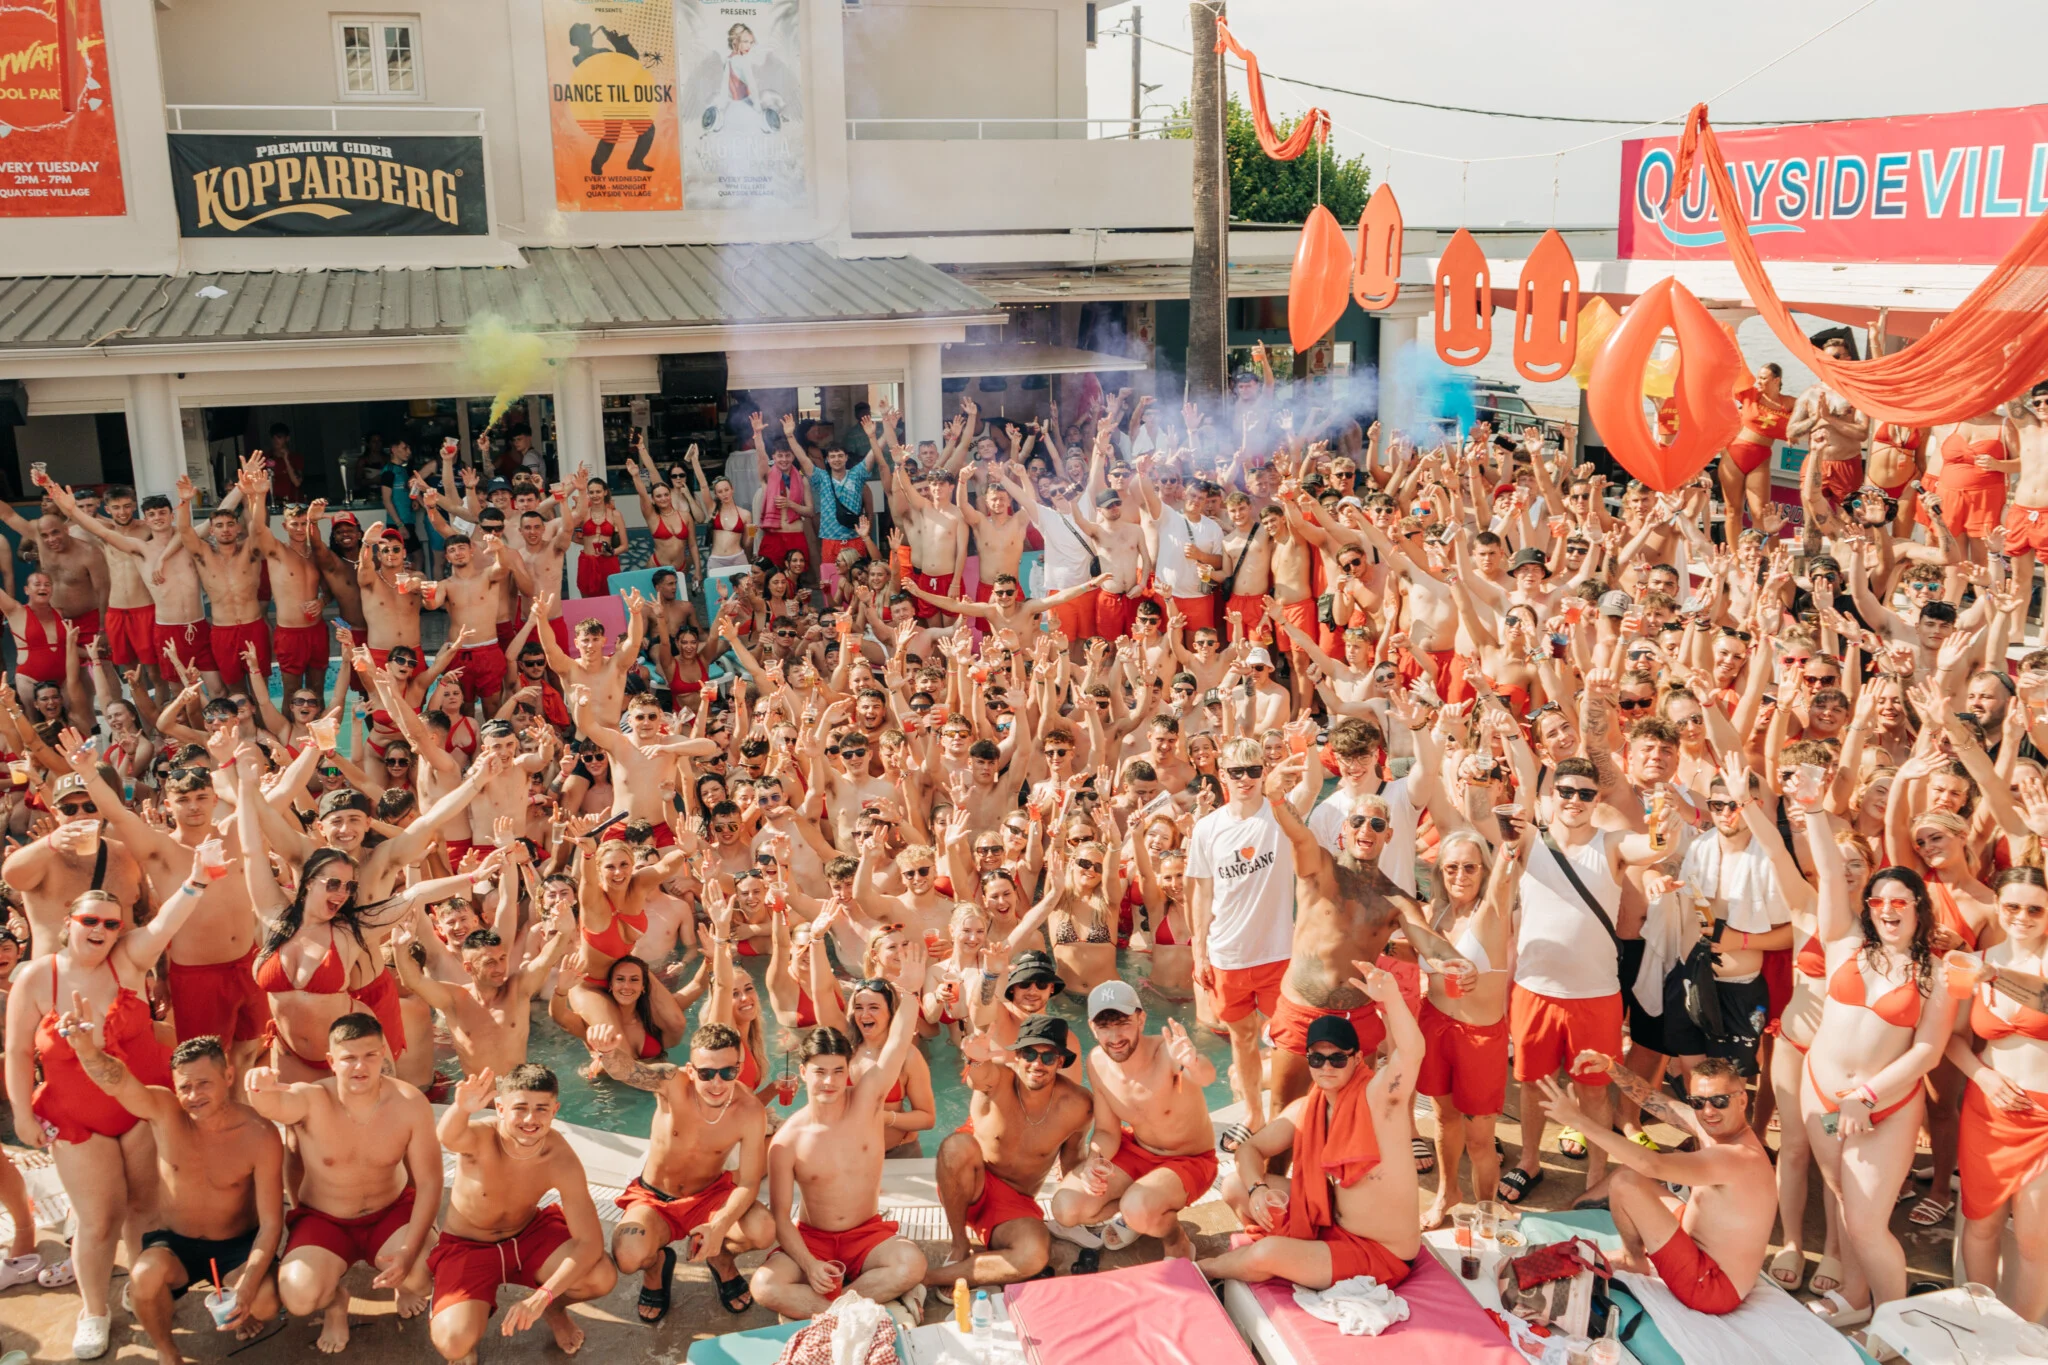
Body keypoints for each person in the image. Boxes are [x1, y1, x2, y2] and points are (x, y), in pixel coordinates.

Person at [3, 861, 208, 1358]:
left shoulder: (129, 961)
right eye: (89, 920)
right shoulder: (37, 978)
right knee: (98, 1221)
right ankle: (93, 1310)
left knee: (146, 1210)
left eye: (111, 923)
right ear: (68, 924)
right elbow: (17, 1053)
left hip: (138, 1108)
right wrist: (24, 1116)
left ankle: (140, 1290)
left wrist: (197, 877)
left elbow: (166, 923)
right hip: (76, 1119)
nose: (100, 929)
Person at [1798, 805, 1958, 1325]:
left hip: (1883, 1105)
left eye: (1901, 902)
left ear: (1918, 909)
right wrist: (1814, 809)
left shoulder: (1937, 972)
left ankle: (1895, 1323)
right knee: (1843, 1198)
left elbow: (1928, 1052)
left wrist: (1865, 1096)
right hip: (1820, 1093)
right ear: (1869, 906)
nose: (1889, 909)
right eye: (1879, 900)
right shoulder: (1844, 941)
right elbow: (1826, 870)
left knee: (1867, 1223)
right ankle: (1854, 1295)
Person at [63, 1028, 284, 1363]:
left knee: (265, 1302)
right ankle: (168, 1352)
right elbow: (119, 1082)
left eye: (204, 1083)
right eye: (185, 1087)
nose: (193, 1095)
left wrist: (248, 1285)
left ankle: (245, 1308)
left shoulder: (260, 1134)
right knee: (143, 1279)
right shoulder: (165, 1112)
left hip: (236, 1245)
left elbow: (270, 1224)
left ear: (228, 1075)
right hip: (176, 1243)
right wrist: (86, 1050)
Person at [1199, 979, 1422, 1289]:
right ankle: (1285, 1256)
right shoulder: (1309, 1108)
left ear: (1357, 1059)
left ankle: (1204, 1270)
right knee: (1236, 1185)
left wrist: (1393, 998)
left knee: (1267, 1253)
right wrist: (1258, 1190)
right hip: (1330, 1223)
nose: (1327, 1067)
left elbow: (1411, 1055)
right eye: (1317, 1058)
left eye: (1337, 1058)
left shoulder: (1378, 1099)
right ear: (1308, 1061)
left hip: (1382, 1252)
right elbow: (1249, 1150)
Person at [243, 1013, 443, 1352]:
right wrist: (258, 1083)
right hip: (326, 1219)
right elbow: (273, 1103)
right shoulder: (310, 1098)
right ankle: (336, 1302)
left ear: (384, 1054)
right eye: (349, 1057)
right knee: (299, 1296)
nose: (359, 1066)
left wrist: (408, 1252)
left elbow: (430, 1183)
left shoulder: (410, 1104)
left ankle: (403, 1285)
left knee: (423, 1277)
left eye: (369, 1055)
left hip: (389, 1212)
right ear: (332, 1061)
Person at [750, 949, 929, 1322]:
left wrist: (910, 994)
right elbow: (782, 1219)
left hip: (867, 1235)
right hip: (813, 1238)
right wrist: (809, 1264)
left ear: (849, 1070)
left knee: (912, 1264)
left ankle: (831, 1309)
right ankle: (868, 1305)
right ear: (803, 1073)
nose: (829, 1081)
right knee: (764, 1287)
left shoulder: (866, 1102)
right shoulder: (787, 1140)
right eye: (819, 1072)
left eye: (837, 1071)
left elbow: (896, 1046)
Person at [1537, 1055, 1776, 1315]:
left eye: (1719, 1101)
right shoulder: (1716, 1124)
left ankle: (1632, 1259)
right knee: (1630, 1178)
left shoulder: (1738, 1157)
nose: (1708, 1111)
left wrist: (1579, 1121)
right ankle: (1634, 1257)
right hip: (1699, 1241)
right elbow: (1653, 1099)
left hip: (1712, 1286)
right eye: (1698, 1102)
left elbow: (1653, 1165)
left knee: (1626, 1181)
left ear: (1743, 1100)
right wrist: (1611, 1068)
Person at [588, 1020, 776, 1321]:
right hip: (655, 1199)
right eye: (706, 1073)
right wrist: (608, 1053)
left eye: (727, 1072)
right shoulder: (671, 1082)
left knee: (763, 1229)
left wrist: (719, 1226)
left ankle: (721, 1260)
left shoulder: (749, 1110)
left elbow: (750, 1181)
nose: (717, 1083)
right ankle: (656, 1268)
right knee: (627, 1257)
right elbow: (630, 1071)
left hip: (710, 1196)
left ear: (738, 1070)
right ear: (691, 1070)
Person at [429, 1064, 618, 1362]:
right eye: (520, 1108)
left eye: (541, 1108)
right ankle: (464, 1314)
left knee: (601, 1276)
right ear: (500, 1108)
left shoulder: (560, 1157)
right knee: (455, 1344)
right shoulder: (480, 1137)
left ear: (555, 1110)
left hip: (528, 1236)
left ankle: (555, 1310)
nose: (531, 1119)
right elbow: (448, 1137)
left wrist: (544, 1296)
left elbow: (590, 1243)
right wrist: (460, 1109)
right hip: (469, 1246)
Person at [1049, 981, 1218, 1263]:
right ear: (1092, 1027)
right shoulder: (1097, 1062)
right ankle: (1142, 1210)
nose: (1115, 1036)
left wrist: (1193, 1061)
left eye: (1122, 1023)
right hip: (1137, 1151)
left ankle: (1175, 1240)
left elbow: (1206, 1077)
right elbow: (1105, 1131)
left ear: (1141, 1019)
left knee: (1137, 1208)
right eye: (1104, 1027)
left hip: (1190, 1159)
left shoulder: (1168, 1052)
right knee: (1065, 1207)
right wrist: (1094, 1160)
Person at [927, 1016, 1092, 1288]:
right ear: (1017, 1055)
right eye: (1029, 1053)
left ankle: (932, 1279)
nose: (1037, 1064)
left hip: (1014, 1202)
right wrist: (977, 1060)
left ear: (1061, 1062)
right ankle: (959, 1244)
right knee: (956, 1146)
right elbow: (979, 1078)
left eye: (1048, 1057)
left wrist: (1079, 1206)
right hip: (969, 1185)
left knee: (1034, 1255)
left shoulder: (1078, 1105)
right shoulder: (1000, 1078)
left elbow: (1073, 1159)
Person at [1186, 737, 1298, 1134]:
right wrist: (1199, 951)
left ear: (1264, 773)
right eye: (1237, 772)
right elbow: (1202, 892)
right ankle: (1254, 1113)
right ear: (1222, 776)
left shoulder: (1279, 814)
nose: (1246, 779)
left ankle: (1289, 1117)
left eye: (1254, 770)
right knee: (1243, 1038)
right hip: (1227, 955)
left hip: (1277, 952)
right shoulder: (1206, 829)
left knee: (1290, 1043)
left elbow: (1312, 785)